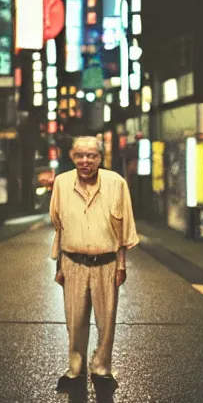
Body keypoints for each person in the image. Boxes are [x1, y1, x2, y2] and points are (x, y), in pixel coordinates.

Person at [49, 135, 139, 384]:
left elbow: (124, 229)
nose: (85, 161)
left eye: (91, 156)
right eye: (80, 156)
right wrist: (59, 266)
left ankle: (101, 367)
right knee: (75, 320)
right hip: (73, 262)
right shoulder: (61, 183)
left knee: (106, 320)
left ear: (100, 158)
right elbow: (59, 225)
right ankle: (75, 369)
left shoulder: (116, 183)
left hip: (107, 263)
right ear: (71, 157)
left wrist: (121, 265)